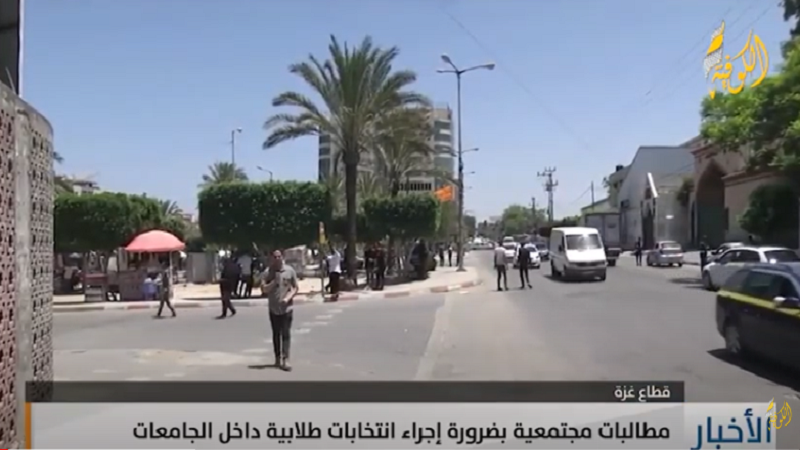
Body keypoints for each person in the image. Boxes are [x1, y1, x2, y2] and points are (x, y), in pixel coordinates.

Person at [262, 250, 298, 371]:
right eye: (275, 257)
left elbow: (295, 288)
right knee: (276, 334)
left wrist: (288, 298)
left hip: (287, 308)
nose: (277, 259)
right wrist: (273, 283)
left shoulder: (290, 271)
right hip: (273, 308)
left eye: (279, 256)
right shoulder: (267, 272)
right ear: (271, 258)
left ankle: (286, 359)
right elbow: (264, 289)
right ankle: (277, 357)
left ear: (282, 257)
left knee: (286, 333)